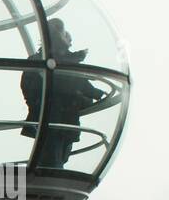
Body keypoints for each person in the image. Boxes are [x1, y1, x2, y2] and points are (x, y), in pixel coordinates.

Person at [20, 18, 106, 168]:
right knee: (52, 162)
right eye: (68, 37)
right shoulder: (62, 63)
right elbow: (73, 82)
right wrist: (95, 94)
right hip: (58, 119)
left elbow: (29, 87)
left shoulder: (41, 60)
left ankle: (48, 179)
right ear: (59, 36)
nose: (70, 43)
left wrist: (34, 106)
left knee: (53, 159)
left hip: (54, 118)